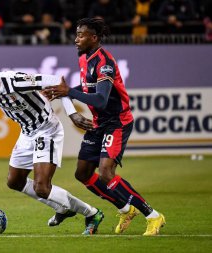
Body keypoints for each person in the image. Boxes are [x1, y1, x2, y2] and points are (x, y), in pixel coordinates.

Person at [0, 63, 104, 235]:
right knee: (15, 181)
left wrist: (72, 113)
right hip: (27, 134)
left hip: (46, 130)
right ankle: (63, 208)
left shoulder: (16, 81)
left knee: (42, 187)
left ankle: (91, 213)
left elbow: (58, 81)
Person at [45, 18, 165, 236]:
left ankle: (153, 215)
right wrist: (65, 91)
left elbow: (100, 99)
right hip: (99, 123)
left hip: (116, 122)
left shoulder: (104, 62)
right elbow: (88, 90)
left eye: (81, 35)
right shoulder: (84, 58)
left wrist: (68, 92)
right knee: (82, 173)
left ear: (94, 38)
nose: (76, 39)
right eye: (76, 34)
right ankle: (125, 209)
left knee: (106, 173)